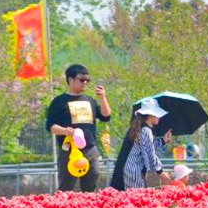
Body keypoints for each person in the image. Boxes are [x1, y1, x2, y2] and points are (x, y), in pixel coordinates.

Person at [45, 64, 112, 192]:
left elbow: (106, 116)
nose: (85, 83)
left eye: (87, 80)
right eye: (81, 80)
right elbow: (50, 126)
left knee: (92, 183)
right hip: (69, 150)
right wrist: (65, 131)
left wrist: (103, 97)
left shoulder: (90, 100)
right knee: (67, 186)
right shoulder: (59, 101)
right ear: (70, 80)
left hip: (90, 149)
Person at [122, 98, 172, 189]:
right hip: (135, 171)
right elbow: (150, 154)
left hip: (133, 170)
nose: (159, 117)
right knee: (138, 199)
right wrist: (161, 172)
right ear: (151, 115)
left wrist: (163, 141)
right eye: (157, 114)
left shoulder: (143, 128)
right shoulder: (146, 130)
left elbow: (149, 147)